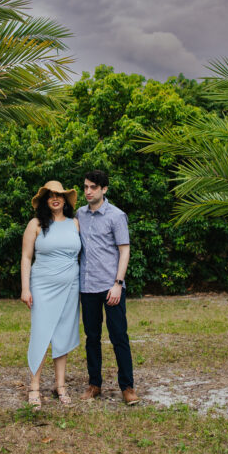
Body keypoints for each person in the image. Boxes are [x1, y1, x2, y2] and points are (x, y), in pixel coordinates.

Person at [77, 169, 138, 405]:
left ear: (104, 189)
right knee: (92, 337)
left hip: (111, 287)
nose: (88, 191)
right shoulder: (80, 215)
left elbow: (124, 250)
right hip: (87, 285)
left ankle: (127, 387)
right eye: (85, 187)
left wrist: (118, 284)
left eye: (93, 187)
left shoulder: (116, 215)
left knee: (119, 336)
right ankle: (95, 384)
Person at [21, 180, 81, 408]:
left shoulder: (75, 223)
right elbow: (26, 258)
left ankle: (60, 385)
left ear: (65, 199)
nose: (55, 198)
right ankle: (34, 386)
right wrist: (25, 288)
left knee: (64, 333)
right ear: (45, 201)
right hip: (42, 285)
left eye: (59, 195)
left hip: (70, 285)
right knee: (41, 333)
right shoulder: (35, 224)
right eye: (50, 195)